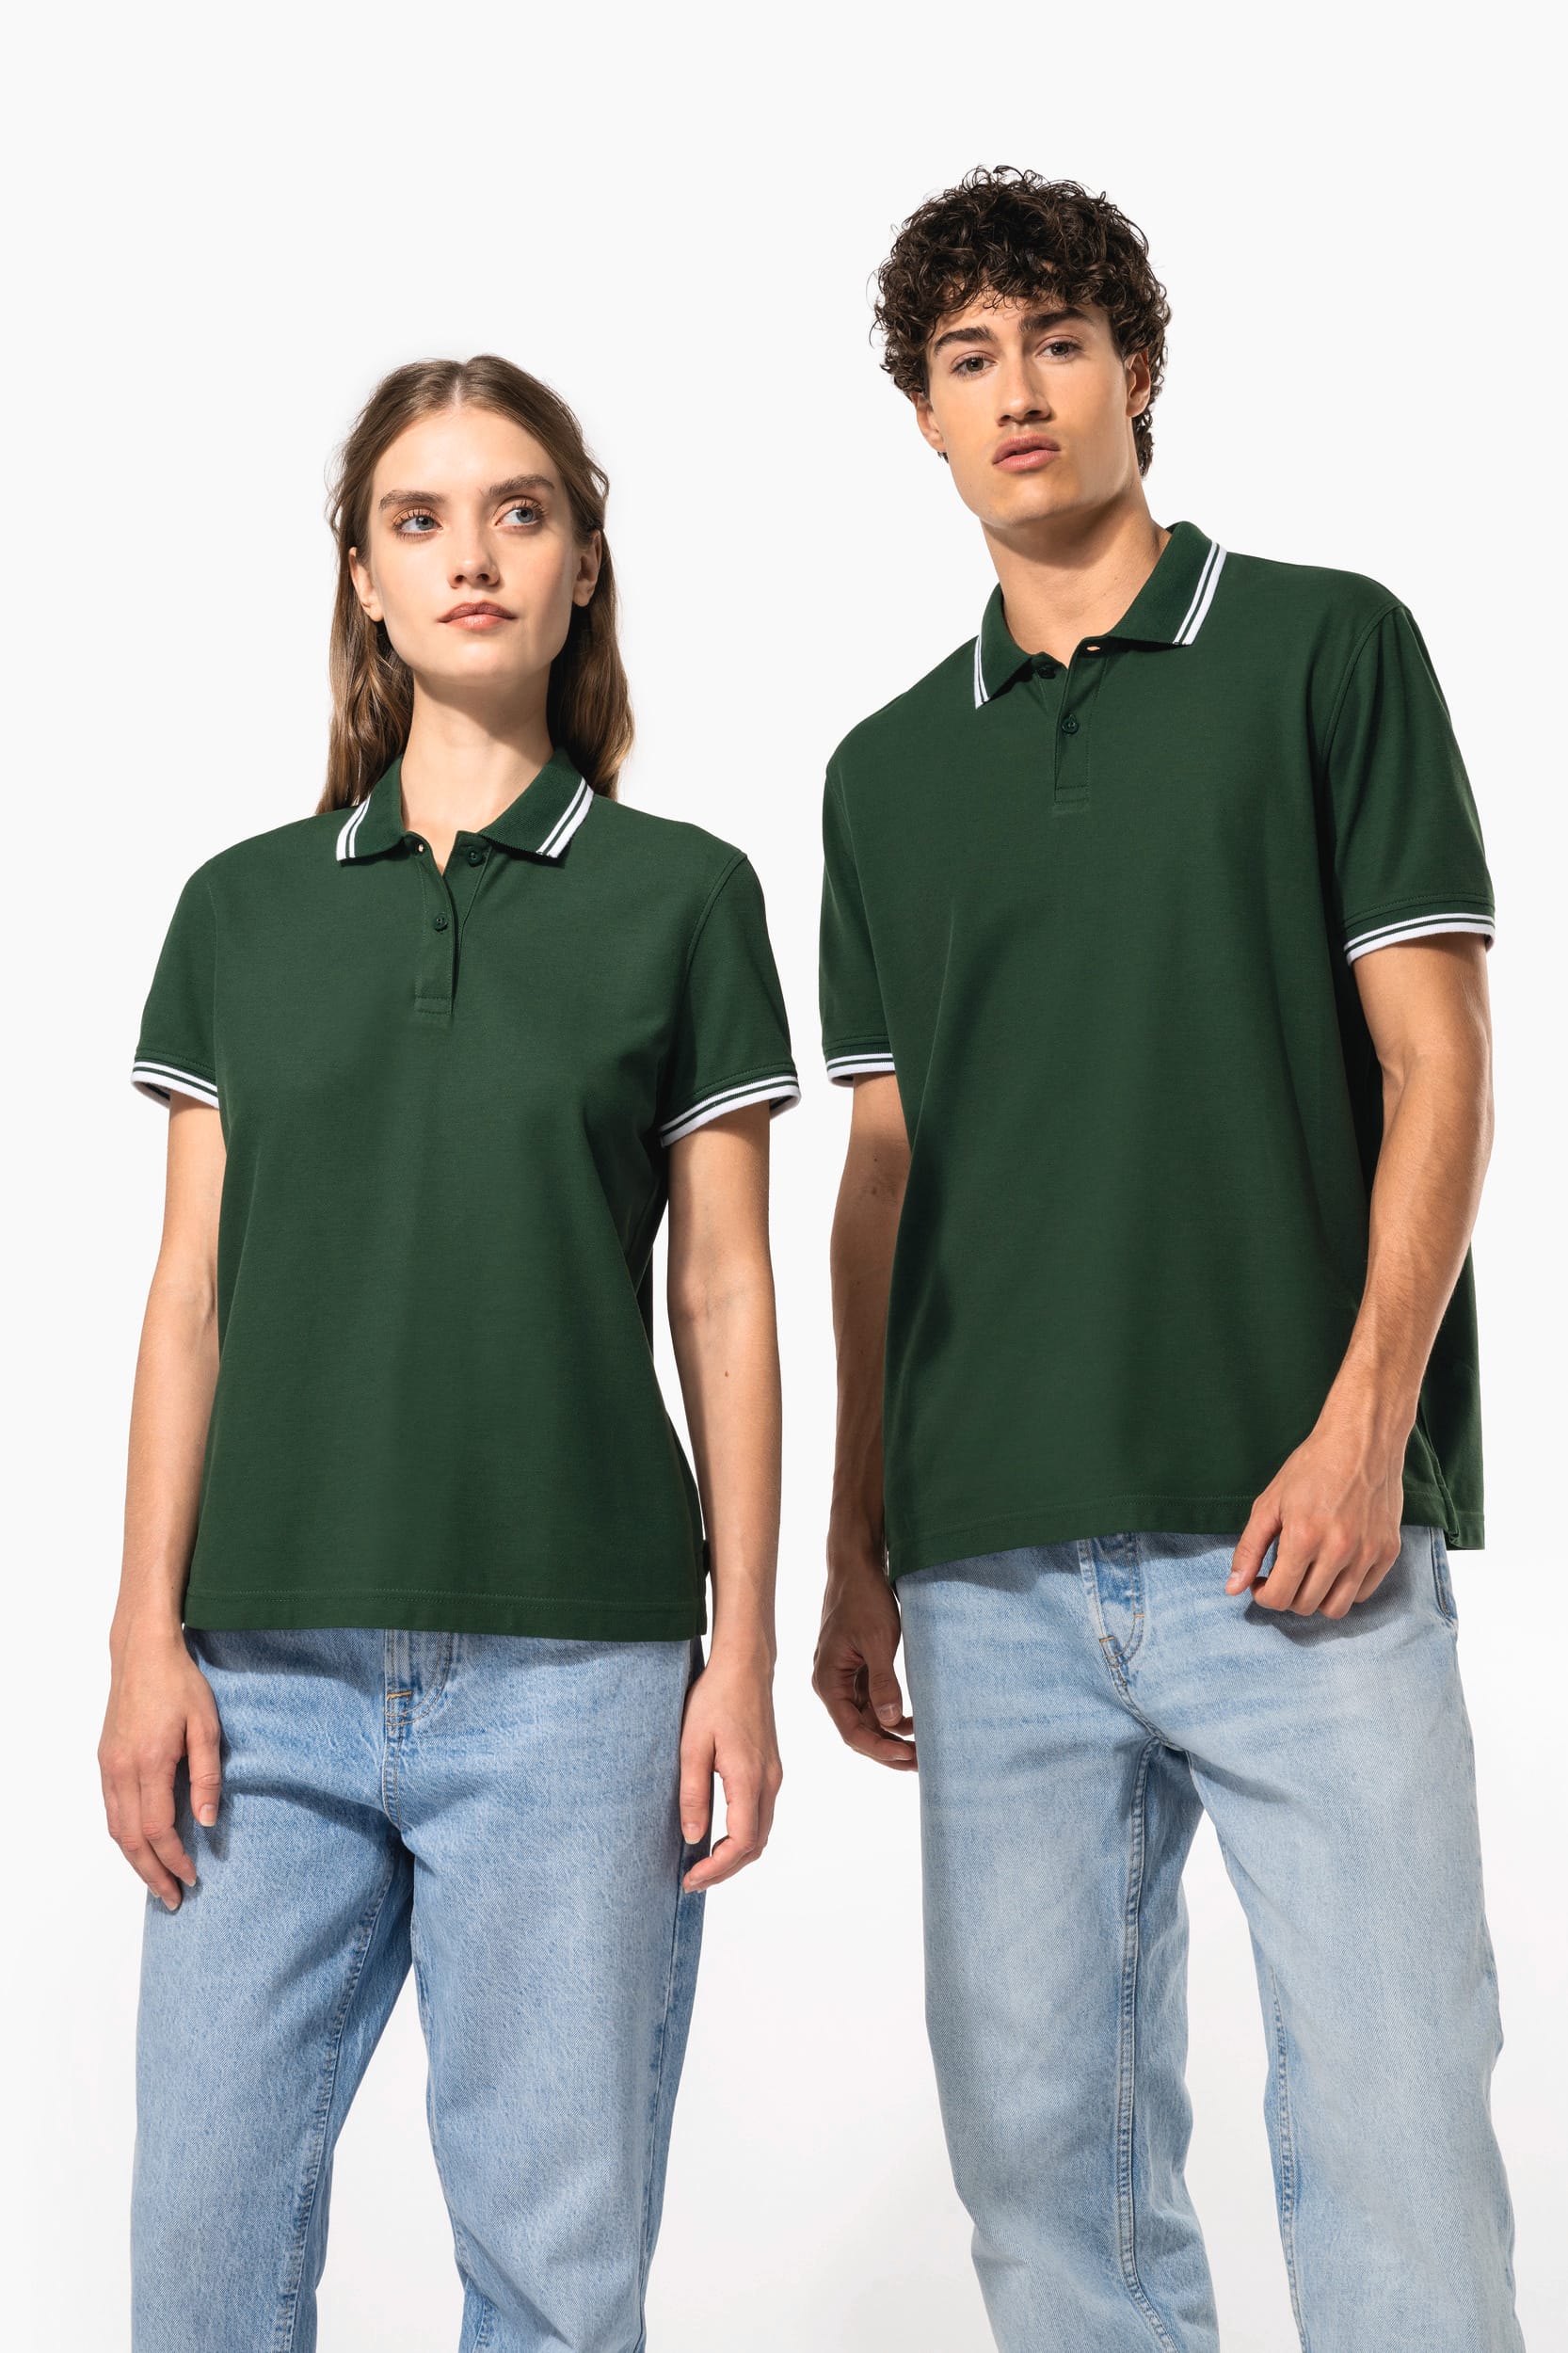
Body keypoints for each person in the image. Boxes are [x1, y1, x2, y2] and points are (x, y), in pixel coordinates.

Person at [812, 168, 1524, 2353]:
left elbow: (1435, 1060)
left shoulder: (1320, 647)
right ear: (923, 416)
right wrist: (852, 1535)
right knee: (1048, 2179)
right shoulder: (879, 770)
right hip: (987, 1569)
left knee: (1391, 2136)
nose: (1015, 389)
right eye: (966, 358)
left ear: (1135, 367)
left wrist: (1365, 1427)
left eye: (1055, 339)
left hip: (1290, 1527)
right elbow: (882, 1176)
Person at [104, 354, 797, 2353]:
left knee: (554, 2285)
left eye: (518, 511)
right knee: (199, 2262)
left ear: (581, 565)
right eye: (418, 518)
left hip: (579, 1682)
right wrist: (141, 1634)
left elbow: (725, 1295)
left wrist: (739, 1652)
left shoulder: (685, 896)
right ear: (364, 577)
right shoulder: (241, 909)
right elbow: (188, 1296)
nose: (470, 554)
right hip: (260, 1677)